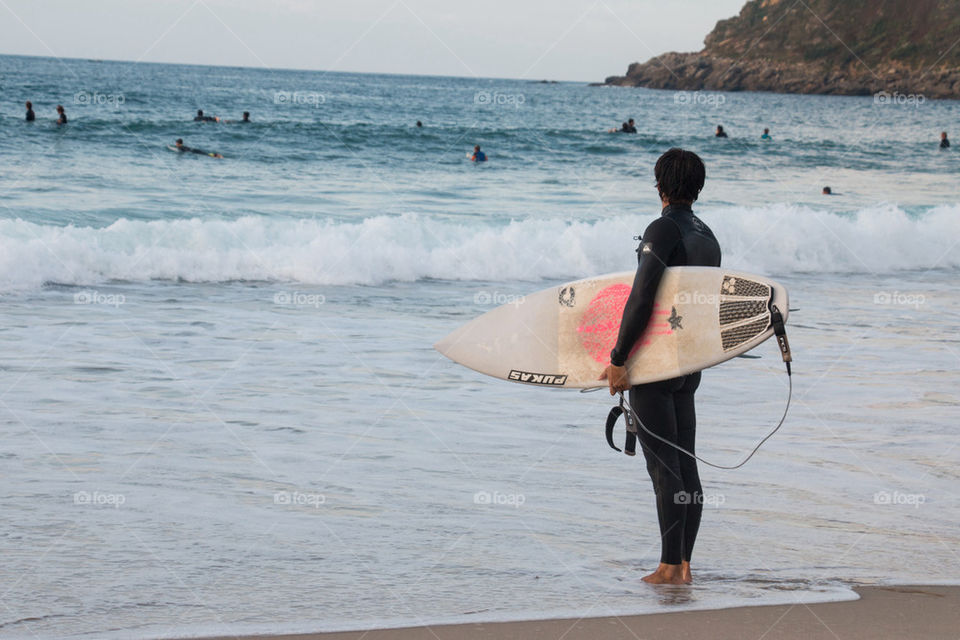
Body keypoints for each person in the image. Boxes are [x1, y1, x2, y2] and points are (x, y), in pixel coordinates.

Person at [600, 148, 721, 586]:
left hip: (655, 362)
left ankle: (669, 567)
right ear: (698, 187)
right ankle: (684, 563)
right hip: (689, 363)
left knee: (663, 466)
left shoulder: (662, 227)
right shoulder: (708, 236)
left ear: (660, 185)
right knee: (685, 462)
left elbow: (642, 294)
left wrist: (618, 358)